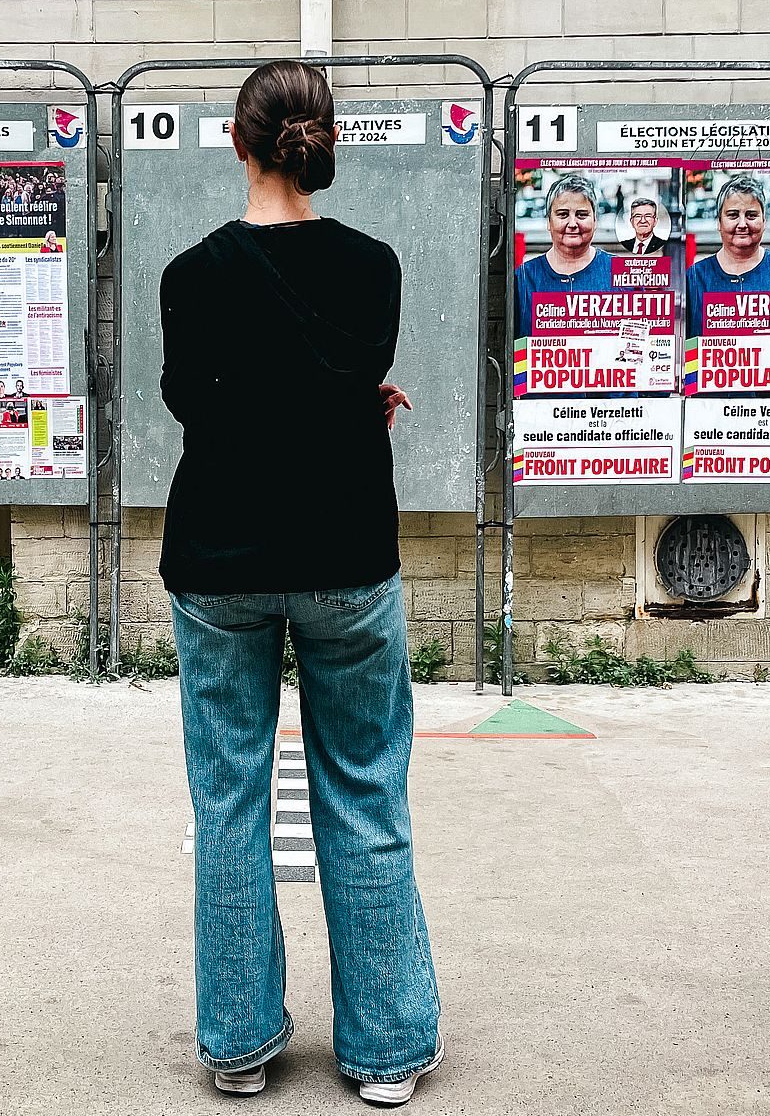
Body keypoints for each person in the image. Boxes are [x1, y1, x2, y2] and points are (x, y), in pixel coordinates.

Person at [159, 60, 440, 1107]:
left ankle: (238, 1040)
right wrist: (356, 407)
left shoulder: (193, 273)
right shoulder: (374, 266)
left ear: (239, 142)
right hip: (346, 558)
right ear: (320, 147)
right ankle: (387, 1047)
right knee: (365, 788)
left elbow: (200, 405)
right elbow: (340, 376)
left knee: (229, 793)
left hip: (220, 563)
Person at [514, 172, 621, 339]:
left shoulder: (622, 274)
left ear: (595, 221)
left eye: (582, 215)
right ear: (549, 222)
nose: (572, 224)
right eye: (563, 214)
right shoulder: (523, 278)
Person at [685, 174, 770, 341]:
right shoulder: (695, 277)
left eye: (751, 215)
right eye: (732, 215)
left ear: (764, 221)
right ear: (719, 222)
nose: (742, 224)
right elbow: (687, 345)